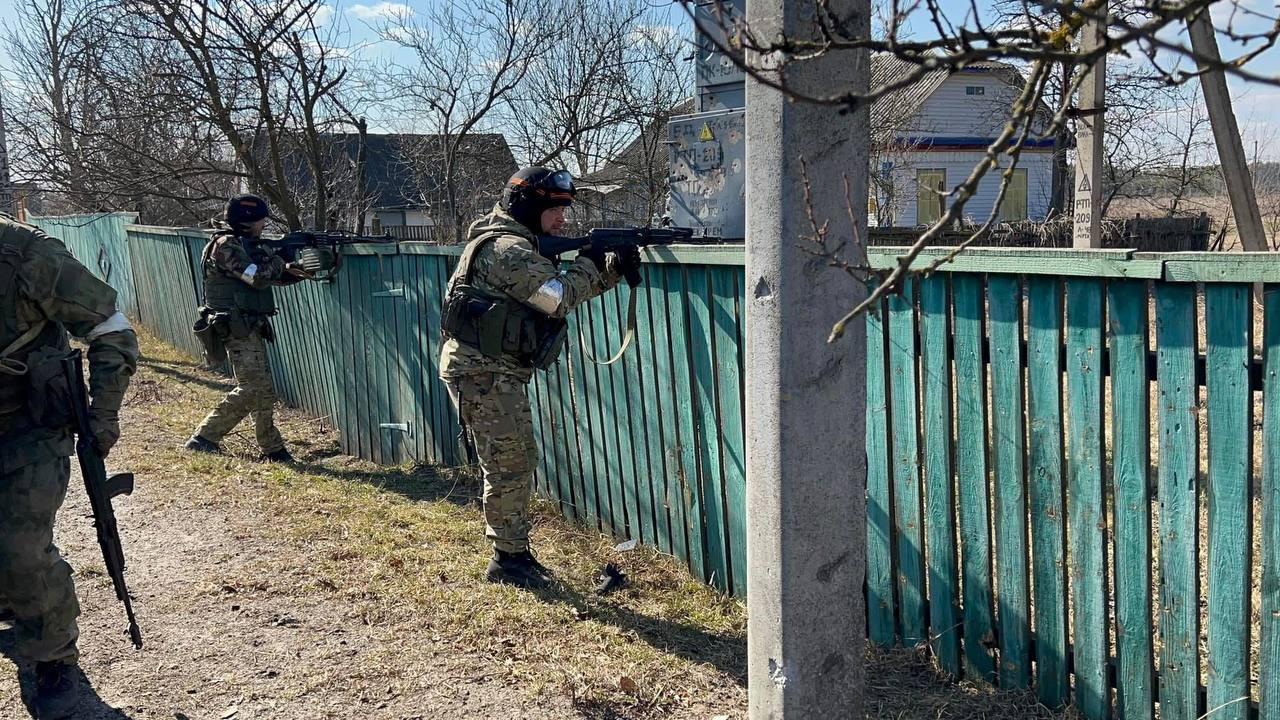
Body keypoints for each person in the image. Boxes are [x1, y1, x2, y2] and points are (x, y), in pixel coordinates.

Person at [439, 167, 640, 589]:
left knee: (514, 461)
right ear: (529, 207)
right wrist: (590, 263)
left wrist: (609, 269)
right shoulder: (507, 250)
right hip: (484, 372)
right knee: (510, 465)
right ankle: (508, 560)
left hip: (492, 370)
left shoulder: (516, 244)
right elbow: (556, 298)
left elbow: (558, 291)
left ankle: (512, 553)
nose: (562, 220)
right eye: (554, 210)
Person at [0, 214, 139, 718]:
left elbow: (110, 327)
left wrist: (102, 416)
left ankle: (51, 655)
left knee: (22, 547)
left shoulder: (28, 256)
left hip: (28, 425)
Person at [183, 194, 311, 461]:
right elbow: (258, 278)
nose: (264, 225)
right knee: (252, 387)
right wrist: (279, 259)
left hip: (247, 324)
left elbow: (267, 276)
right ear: (247, 221)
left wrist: (291, 269)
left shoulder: (239, 243)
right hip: (235, 326)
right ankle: (205, 436)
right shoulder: (225, 246)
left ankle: (272, 448)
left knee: (263, 388)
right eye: (261, 221)